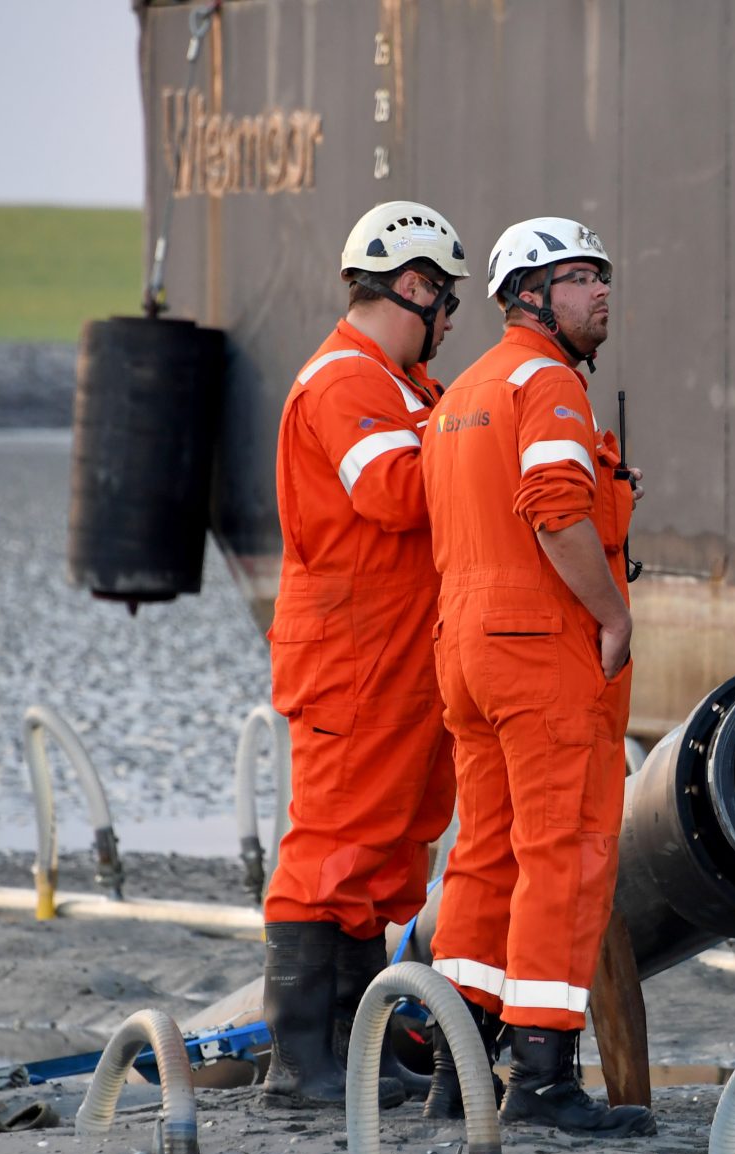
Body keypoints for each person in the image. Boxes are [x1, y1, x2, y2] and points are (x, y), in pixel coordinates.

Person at [418, 217, 653, 1138]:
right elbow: (557, 510)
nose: (601, 290)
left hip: (465, 651)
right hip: (538, 650)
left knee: (484, 852)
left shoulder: (460, 392)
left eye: (603, 273)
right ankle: (545, 1078)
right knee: (567, 849)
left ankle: (458, 1070)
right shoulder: (546, 382)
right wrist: (612, 614)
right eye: (580, 276)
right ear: (529, 294)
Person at [261, 200, 465, 1107]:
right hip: (353, 655)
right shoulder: (348, 381)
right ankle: (300, 1065)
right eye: (446, 302)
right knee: (332, 852)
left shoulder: (404, 386)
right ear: (413, 287)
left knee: (383, 859)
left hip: (398, 654)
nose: (451, 324)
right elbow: (391, 489)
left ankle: (353, 1050)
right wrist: (477, 437)